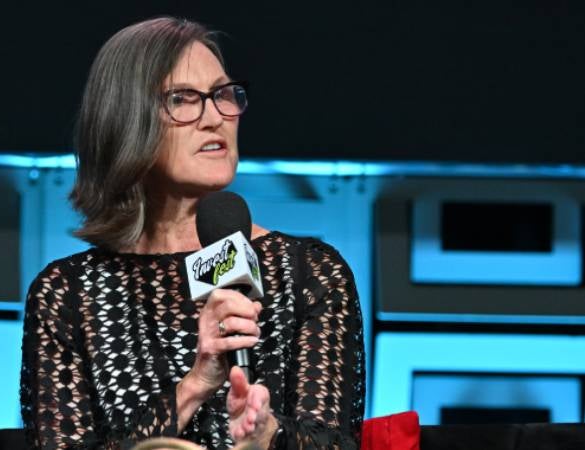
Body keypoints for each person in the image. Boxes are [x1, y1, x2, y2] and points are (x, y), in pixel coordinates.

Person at [20, 17, 365, 450]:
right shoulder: (69, 294)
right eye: (183, 99)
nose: (214, 119)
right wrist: (196, 383)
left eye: (223, 95)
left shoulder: (309, 272)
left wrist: (267, 436)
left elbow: (335, 442)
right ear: (125, 119)